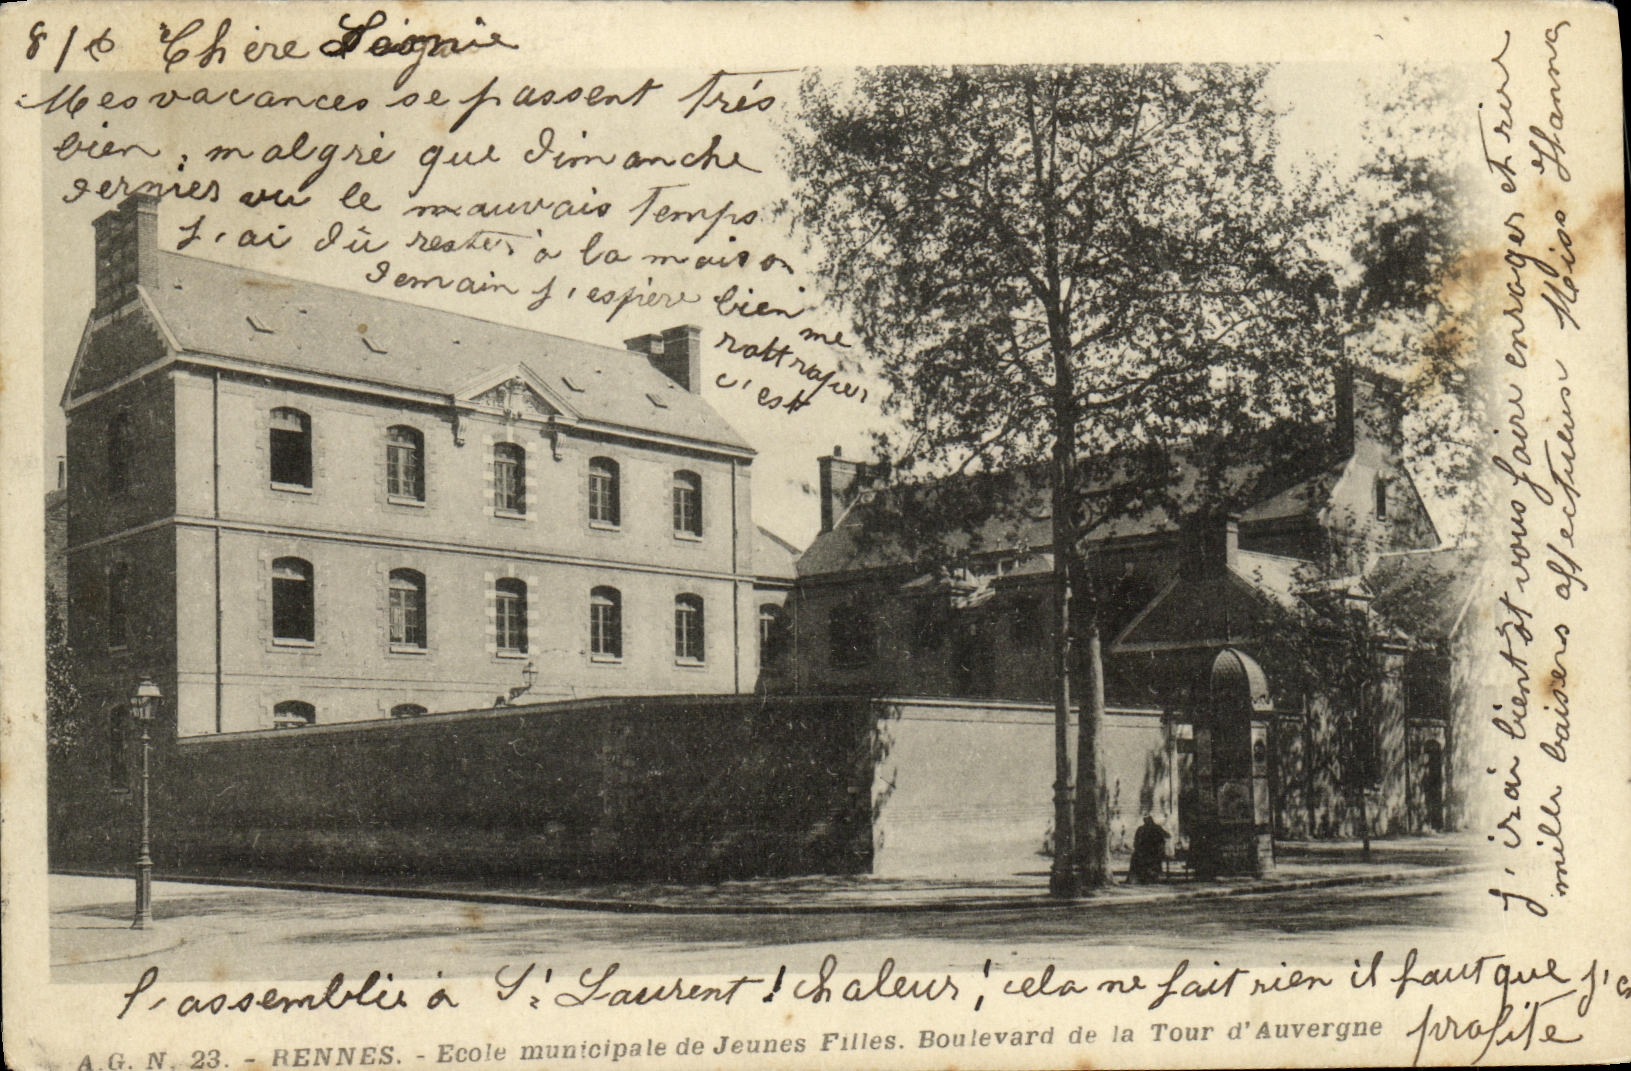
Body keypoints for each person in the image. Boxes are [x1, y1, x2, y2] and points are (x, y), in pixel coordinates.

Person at [1129, 814, 1170, 884]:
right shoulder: (1156, 828)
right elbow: (1168, 836)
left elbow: (1135, 842)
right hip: (1152, 853)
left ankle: (1145, 877)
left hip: (1149, 852)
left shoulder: (1142, 829)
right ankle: (1148, 877)